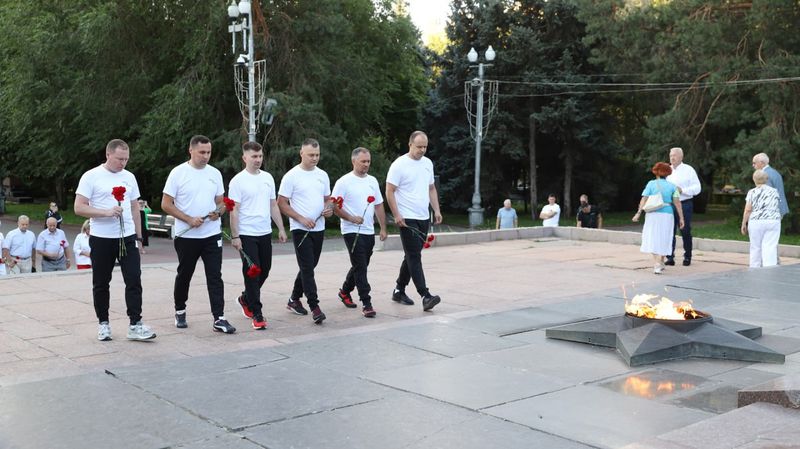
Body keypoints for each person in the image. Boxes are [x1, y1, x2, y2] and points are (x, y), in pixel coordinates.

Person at [74, 139, 156, 341]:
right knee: (101, 282)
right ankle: (103, 323)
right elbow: (79, 207)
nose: (123, 163)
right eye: (119, 159)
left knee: (134, 279)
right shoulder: (91, 176)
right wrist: (106, 212)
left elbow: (135, 207)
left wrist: (139, 238)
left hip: (127, 237)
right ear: (108, 154)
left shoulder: (129, 177)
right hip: (102, 238)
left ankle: (135, 324)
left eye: (126, 159)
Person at [162, 135, 235, 334]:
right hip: (187, 236)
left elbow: (221, 202)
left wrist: (218, 212)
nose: (206, 156)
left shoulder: (214, 173)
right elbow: (166, 204)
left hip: (211, 234)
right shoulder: (178, 173)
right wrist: (188, 219)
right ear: (191, 150)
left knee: (215, 276)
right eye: (202, 152)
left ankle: (219, 318)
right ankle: (180, 310)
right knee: (185, 274)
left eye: (208, 152)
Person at [229, 141, 287, 330]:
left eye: (260, 156)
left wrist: (281, 228)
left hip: (264, 232)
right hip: (246, 233)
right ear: (244, 158)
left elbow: (273, 205)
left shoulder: (267, 178)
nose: (258, 159)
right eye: (254, 156)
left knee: (265, 269)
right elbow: (234, 210)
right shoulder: (238, 181)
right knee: (252, 272)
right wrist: (235, 236)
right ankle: (257, 313)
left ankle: (246, 298)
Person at [278, 138, 333, 324]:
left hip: (319, 228)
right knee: (308, 268)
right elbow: (281, 203)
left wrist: (329, 208)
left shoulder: (322, 175)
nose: (315, 158)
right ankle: (315, 307)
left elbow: (328, 199)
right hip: (300, 230)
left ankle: (294, 299)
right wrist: (300, 218)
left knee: (309, 266)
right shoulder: (291, 176)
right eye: (311, 155)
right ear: (301, 153)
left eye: (317, 155)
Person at [385, 130, 442, 311]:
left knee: (411, 255)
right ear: (410, 144)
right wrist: (397, 215)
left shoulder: (427, 163)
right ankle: (425, 295)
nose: (422, 150)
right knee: (414, 256)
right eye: (419, 147)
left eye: (425, 147)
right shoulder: (399, 165)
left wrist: (436, 210)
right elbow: (389, 191)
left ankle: (399, 290)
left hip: (423, 217)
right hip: (406, 217)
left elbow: (431, 188)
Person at [332, 147, 388, 318]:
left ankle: (344, 291)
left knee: (361, 264)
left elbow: (378, 205)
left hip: (368, 231)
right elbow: (334, 206)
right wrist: (350, 218)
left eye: (368, 161)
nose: (366, 164)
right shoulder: (344, 182)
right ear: (354, 161)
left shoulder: (372, 181)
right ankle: (366, 303)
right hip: (351, 231)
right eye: (363, 161)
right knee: (361, 267)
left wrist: (383, 227)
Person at [632, 162, 684, 274]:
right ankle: (660, 261)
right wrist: (681, 218)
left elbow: (644, 199)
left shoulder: (651, 184)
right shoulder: (672, 186)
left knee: (652, 237)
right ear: (668, 174)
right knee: (665, 237)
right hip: (667, 214)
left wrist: (638, 213)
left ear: (656, 172)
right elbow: (677, 203)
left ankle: (657, 262)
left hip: (652, 214)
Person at [666, 147, 701, 266]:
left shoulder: (688, 170)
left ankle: (687, 256)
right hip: (670, 204)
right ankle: (670, 257)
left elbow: (697, 188)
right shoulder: (667, 170)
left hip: (684, 204)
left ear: (681, 157)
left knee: (685, 230)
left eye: (674, 155)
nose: (672, 157)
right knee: (669, 231)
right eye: (671, 155)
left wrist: (683, 190)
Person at [741, 169, 782, 268]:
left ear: (754, 179)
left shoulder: (752, 192)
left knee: (755, 247)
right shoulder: (774, 191)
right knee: (770, 246)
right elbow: (777, 206)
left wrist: (744, 223)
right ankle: (770, 269)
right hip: (773, 221)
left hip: (756, 221)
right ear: (766, 179)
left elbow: (748, 210)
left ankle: (755, 268)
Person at [752, 153, 789, 217]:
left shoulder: (764, 175)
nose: (753, 165)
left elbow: (765, 195)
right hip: (779, 207)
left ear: (762, 163)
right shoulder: (774, 172)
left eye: (754, 163)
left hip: (772, 210)